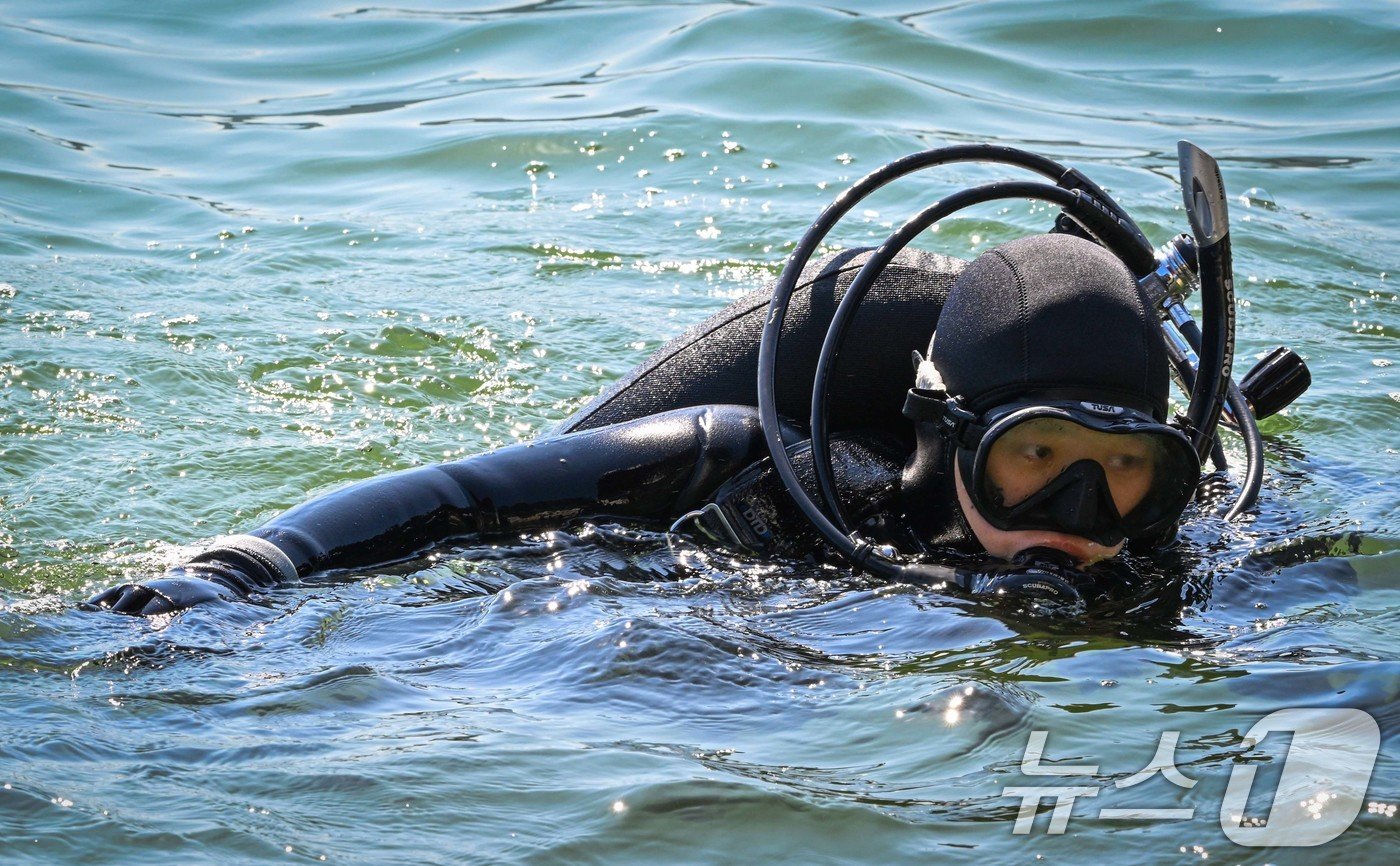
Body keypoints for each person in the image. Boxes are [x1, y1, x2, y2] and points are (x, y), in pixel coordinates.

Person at [87, 232, 1201, 616]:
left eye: (1119, 475)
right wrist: (238, 571)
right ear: (943, 431)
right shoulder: (756, 469)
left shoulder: (1149, 572)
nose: (1074, 513)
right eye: (1036, 457)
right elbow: (461, 493)